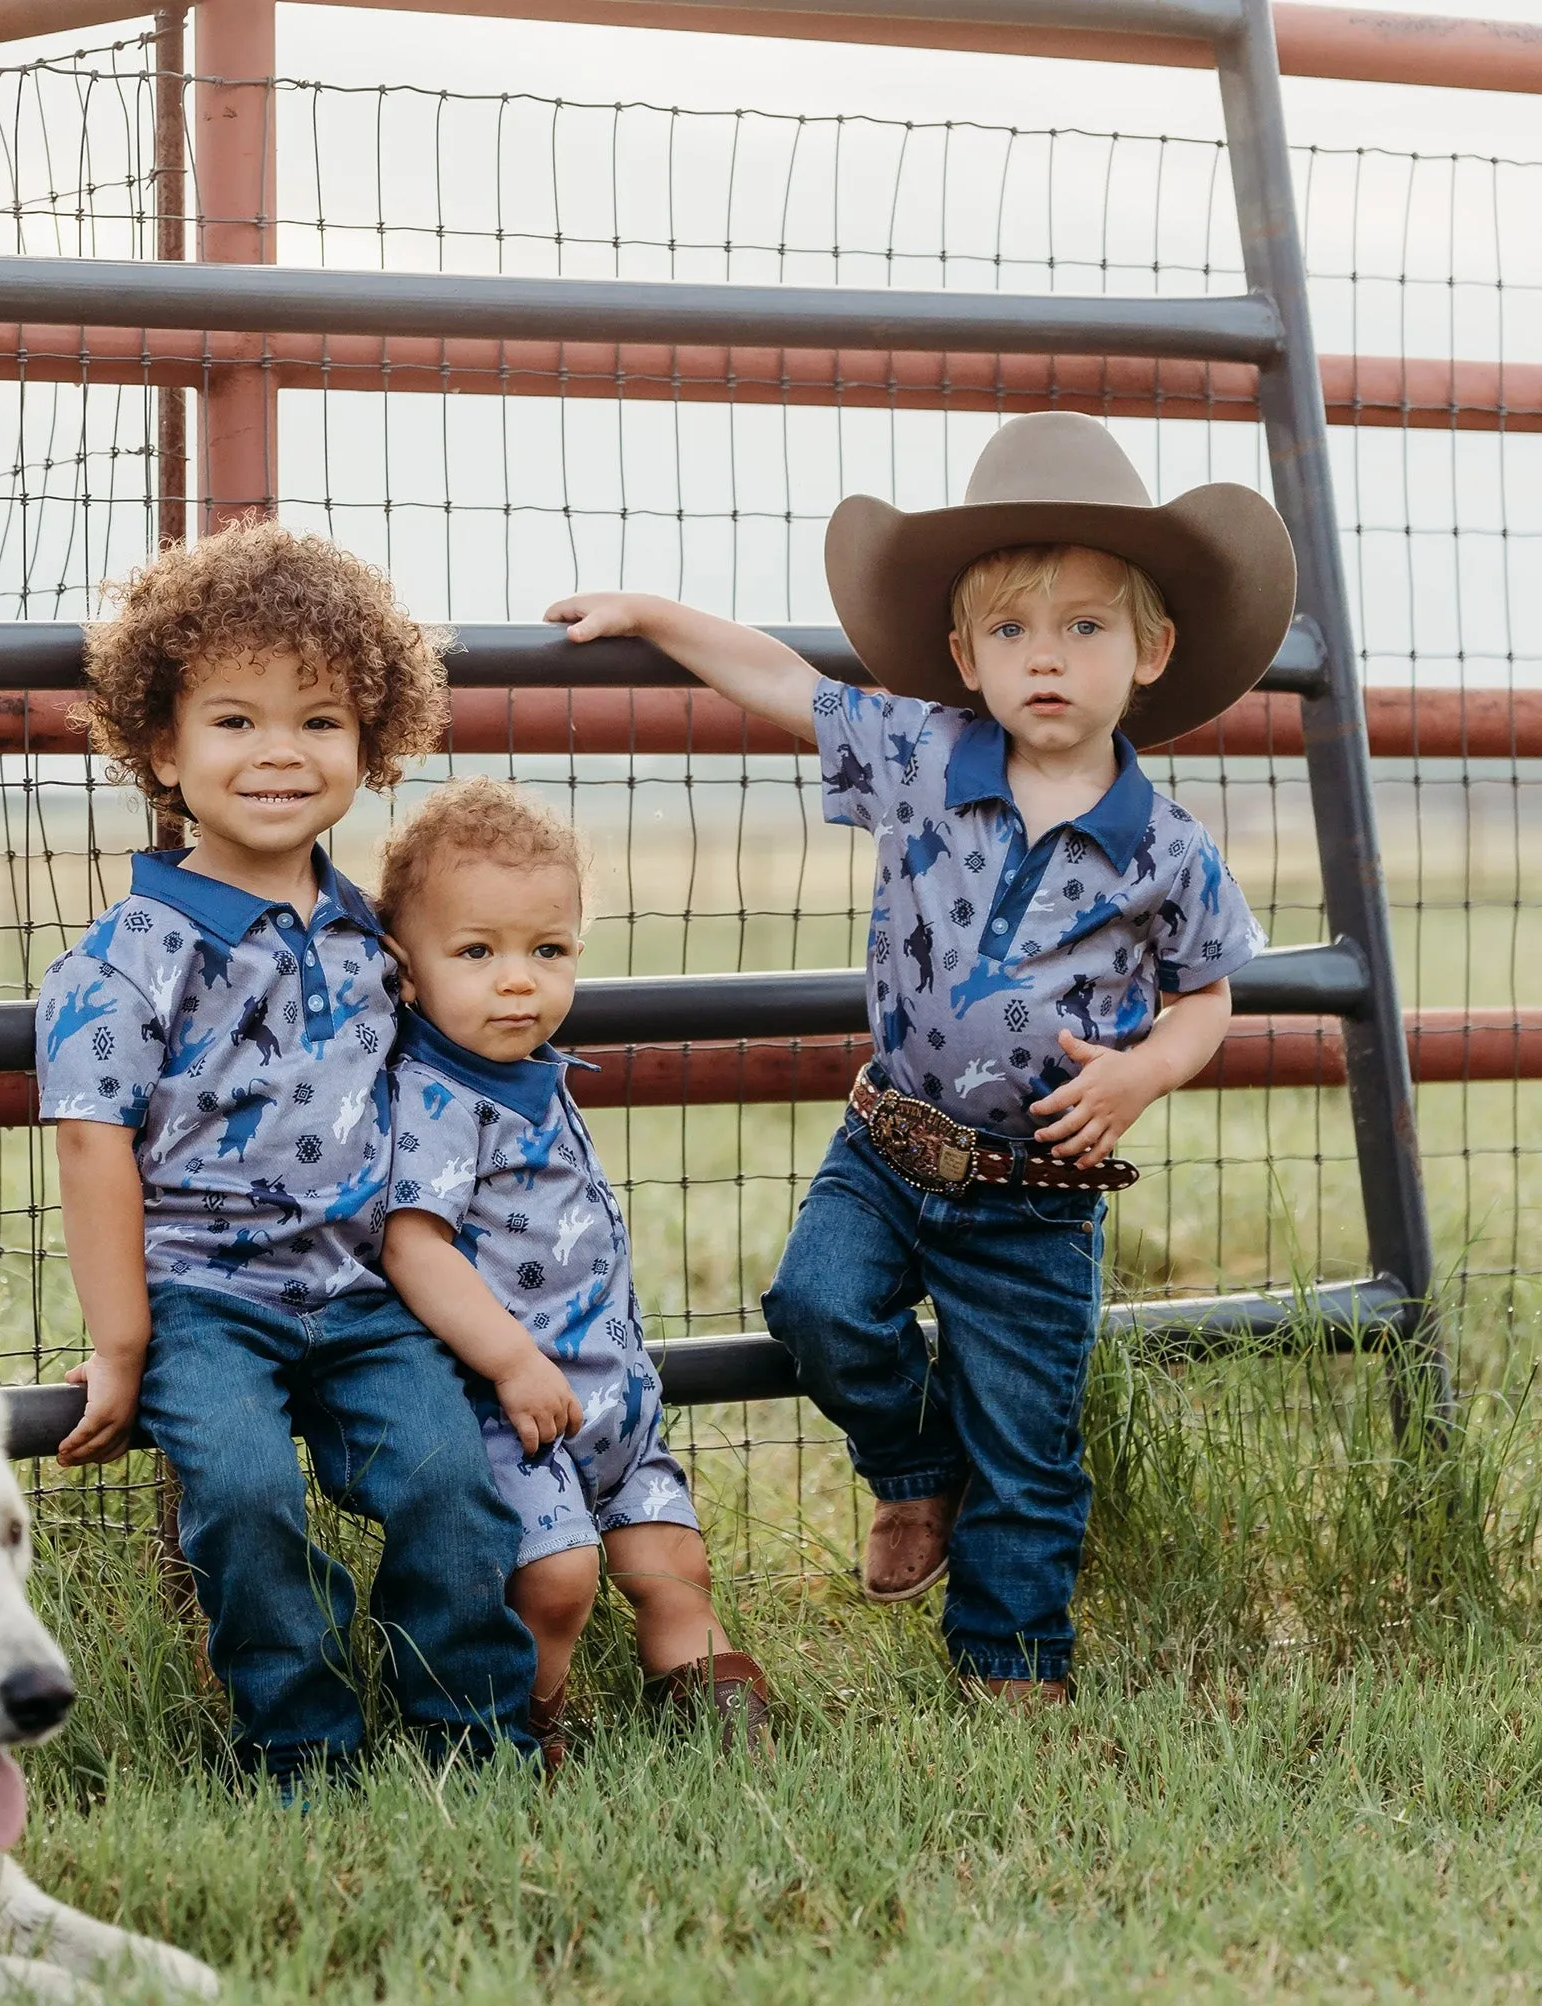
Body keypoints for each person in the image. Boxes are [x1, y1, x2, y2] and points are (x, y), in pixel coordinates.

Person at [547, 411, 1292, 1703]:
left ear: (1154, 650)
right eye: (1010, 632)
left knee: (1030, 1438)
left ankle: (1012, 1667)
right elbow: (785, 683)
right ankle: (909, 1465)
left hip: (1039, 1199)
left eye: (1084, 627)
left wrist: (1141, 1074)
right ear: (964, 655)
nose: (1044, 658)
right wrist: (659, 612)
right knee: (819, 1307)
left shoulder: (1166, 847)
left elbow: (1208, 998)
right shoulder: (923, 755)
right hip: (889, 1147)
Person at [35, 522, 537, 1787]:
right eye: (233, 721)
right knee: (247, 1497)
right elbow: (92, 1145)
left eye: (318, 721)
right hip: (205, 1302)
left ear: (370, 745)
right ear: (160, 744)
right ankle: (302, 1745)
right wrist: (121, 1340)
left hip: (365, 1291)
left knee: (444, 1478)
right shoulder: (131, 950)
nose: (278, 753)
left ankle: (474, 1736)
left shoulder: (373, 934)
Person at [376, 777, 772, 1765]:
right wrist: (510, 1362)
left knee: (673, 1561)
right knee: (555, 1578)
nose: (519, 981)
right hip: (512, 1405)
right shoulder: (434, 1094)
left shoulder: (536, 1068)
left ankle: (722, 1727)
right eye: (477, 952)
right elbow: (410, 1242)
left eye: (546, 950)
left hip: (614, 1401)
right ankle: (527, 1725)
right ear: (407, 969)